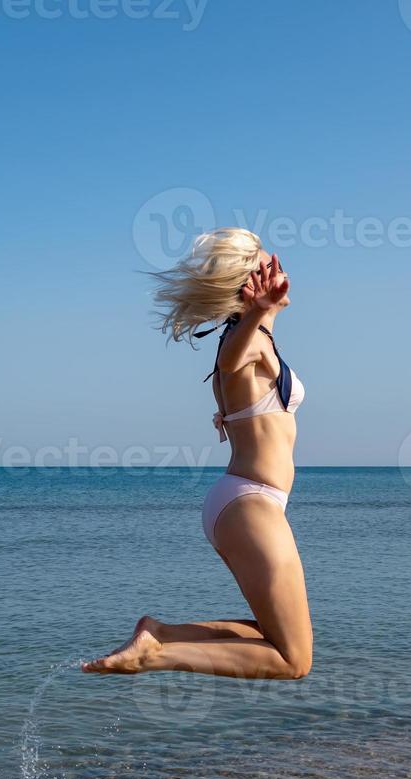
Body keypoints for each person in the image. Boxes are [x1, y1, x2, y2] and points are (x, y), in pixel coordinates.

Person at [84, 229, 312, 680]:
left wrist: (258, 316)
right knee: (292, 660)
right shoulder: (243, 345)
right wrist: (258, 312)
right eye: (269, 268)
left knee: (276, 639)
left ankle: (159, 636)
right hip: (251, 505)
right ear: (250, 287)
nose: (281, 275)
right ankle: (154, 652)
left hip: (246, 502)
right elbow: (231, 361)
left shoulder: (257, 342)